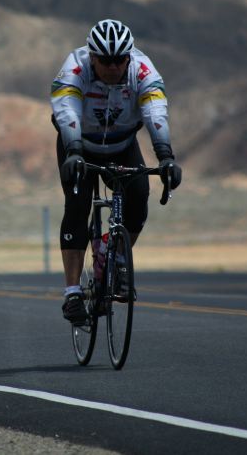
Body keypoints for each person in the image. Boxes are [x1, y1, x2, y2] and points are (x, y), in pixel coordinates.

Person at [50, 19, 182, 324]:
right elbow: (66, 111)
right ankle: (72, 293)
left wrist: (165, 157)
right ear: (92, 56)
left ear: (129, 56)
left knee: (139, 199)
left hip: (122, 144)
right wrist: (72, 152)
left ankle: (112, 254)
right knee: (77, 204)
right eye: (105, 60)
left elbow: (155, 113)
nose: (113, 67)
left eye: (120, 59)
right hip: (78, 145)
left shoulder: (143, 70)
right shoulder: (74, 67)